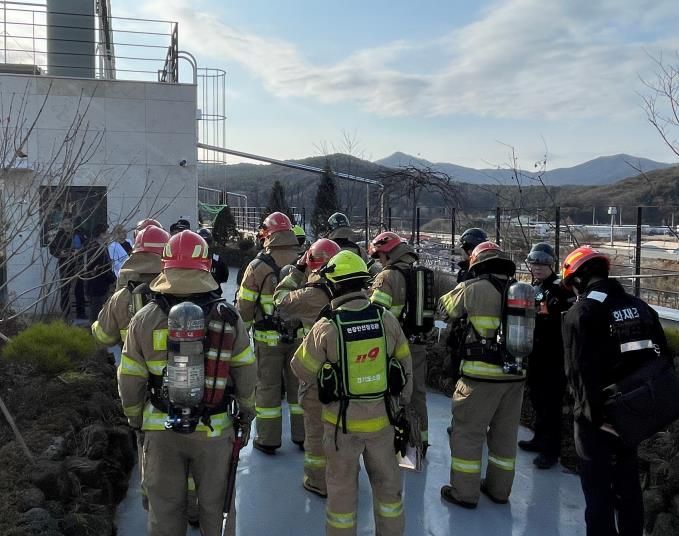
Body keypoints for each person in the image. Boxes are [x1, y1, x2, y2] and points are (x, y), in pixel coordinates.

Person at [118, 230, 256, 536]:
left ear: (165, 267)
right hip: (215, 428)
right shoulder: (228, 316)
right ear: (205, 267)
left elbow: (129, 377)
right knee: (216, 508)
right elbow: (246, 370)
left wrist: (135, 418)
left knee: (165, 511)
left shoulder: (144, 318)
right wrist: (247, 413)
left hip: (161, 429)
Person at [291, 250, 412, 536]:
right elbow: (406, 367)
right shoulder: (386, 319)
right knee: (389, 490)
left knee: (341, 493)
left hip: (340, 427)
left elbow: (301, 369)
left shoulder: (326, 326)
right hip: (383, 424)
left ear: (334, 286)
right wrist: (401, 407)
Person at [561, 246, 669, 536]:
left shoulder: (581, 312)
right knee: (628, 486)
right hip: (634, 413)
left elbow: (578, 373)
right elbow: (661, 360)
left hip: (598, 418)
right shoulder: (640, 307)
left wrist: (594, 417)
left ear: (579, 279)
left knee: (598, 492)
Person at [438, 241, 525, 509]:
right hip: (515, 377)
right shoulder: (521, 290)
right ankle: (499, 490)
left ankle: (464, 493)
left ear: (477, 264)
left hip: (479, 378)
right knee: (505, 436)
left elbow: (444, 309)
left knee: (468, 434)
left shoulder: (473, 288)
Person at [273, 238, 341, 497]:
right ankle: (345, 478)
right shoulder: (351, 290)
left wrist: (296, 272)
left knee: (316, 430)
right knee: (342, 430)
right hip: (348, 372)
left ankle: (318, 482)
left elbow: (280, 300)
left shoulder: (310, 295)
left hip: (318, 374)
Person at [237, 211, 304, 453]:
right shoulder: (304, 262)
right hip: (301, 339)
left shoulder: (257, 267)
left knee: (267, 388)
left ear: (268, 235)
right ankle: (303, 436)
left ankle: (267, 439)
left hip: (267, 341)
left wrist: (241, 337)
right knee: (301, 388)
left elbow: (245, 306)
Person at [368, 231, 431, 455]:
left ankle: (396, 441)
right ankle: (420, 442)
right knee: (417, 394)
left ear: (387, 253)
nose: (379, 261)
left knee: (392, 393)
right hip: (418, 345)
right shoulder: (420, 274)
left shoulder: (387, 277)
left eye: (379, 256)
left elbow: (376, 315)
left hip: (393, 348)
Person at [518, 243, 573, 469]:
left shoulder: (561, 289)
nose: (537, 267)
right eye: (534, 262)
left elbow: (565, 322)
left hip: (554, 356)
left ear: (551, 264)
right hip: (536, 353)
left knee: (551, 405)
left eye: (543, 263)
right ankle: (539, 439)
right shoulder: (535, 287)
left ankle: (551, 452)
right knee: (538, 399)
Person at [92, 224, 170, 347]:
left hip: (131, 356)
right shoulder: (179, 290)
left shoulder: (121, 295)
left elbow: (104, 337)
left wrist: (108, 310)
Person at [49, 215, 86, 320]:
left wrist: (79, 251)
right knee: (65, 290)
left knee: (79, 289)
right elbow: (52, 249)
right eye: (65, 224)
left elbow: (87, 245)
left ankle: (81, 313)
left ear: (73, 224)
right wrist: (61, 253)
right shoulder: (58, 236)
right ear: (61, 224)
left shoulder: (79, 233)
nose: (68, 226)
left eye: (69, 223)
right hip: (65, 266)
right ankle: (66, 313)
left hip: (78, 265)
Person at [325, 212, 380, 277]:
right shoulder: (359, 250)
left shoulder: (325, 250)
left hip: (331, 282)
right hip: (357, 282)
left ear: (330, 230)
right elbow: (370, 269)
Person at [84, 223, 116, 324]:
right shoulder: (95, 248)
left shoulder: (101, 246)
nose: (109, 236)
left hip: (101, 285)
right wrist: (113, 279)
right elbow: (100, 268)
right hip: (96, 286)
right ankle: (94, 329)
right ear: (101, 235)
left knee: (99, 311)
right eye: (107, 233)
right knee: (96, 312)